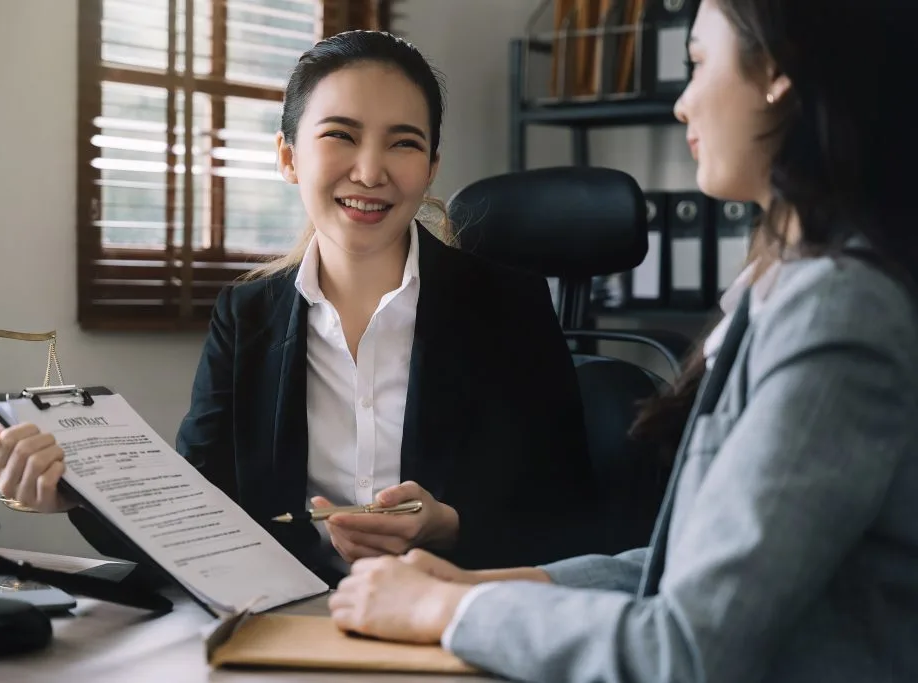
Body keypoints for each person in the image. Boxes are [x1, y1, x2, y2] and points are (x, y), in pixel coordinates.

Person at [327, 1, 918, 681]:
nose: (683, 105)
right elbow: (675, 567)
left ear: (777, 71)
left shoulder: (838, 310)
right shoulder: (790, 292)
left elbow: (687, 647)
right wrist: (477, 588)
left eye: (697, 64)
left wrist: (442, 610)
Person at [0, 31, 601, 587]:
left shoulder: (509, 306)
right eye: (340, 135)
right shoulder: (245, 316)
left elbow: (571, 521)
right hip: (291, 623)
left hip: (450, 623)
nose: (369, 170)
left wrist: (448, 527)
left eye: (403, 143)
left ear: (431, 167)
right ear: (288, 157)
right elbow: (194, 517)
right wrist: (78, 494)